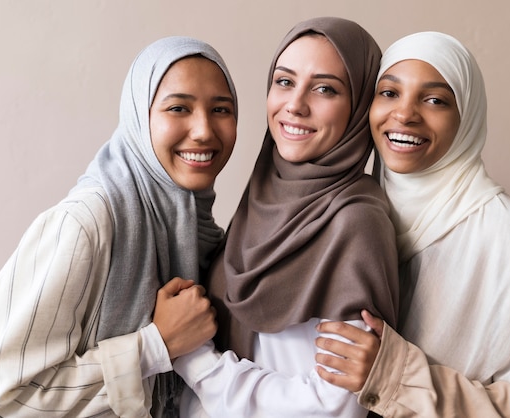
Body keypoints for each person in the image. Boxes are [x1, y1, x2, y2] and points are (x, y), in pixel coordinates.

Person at [314, 31, 510, 417]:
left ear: (467, 118)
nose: (405, 114)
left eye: (435, 100)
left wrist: (394, 378)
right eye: (390, 93)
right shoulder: (352, 206)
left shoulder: (499, 230)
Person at [0, 36, 238, 417]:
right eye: (178, 108)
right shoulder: (87, 224)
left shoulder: (202, 236)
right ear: (139, 119)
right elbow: (3, 398)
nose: (204, 130)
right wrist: (155, 346)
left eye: (221, 109)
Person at [171, 17, 399, 417]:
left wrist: (192, 358)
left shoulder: (357, 221)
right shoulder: (260, 198)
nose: (295, 104)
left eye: (325, 88)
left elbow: (332, 408)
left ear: (360, 105)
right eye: (284, 81)